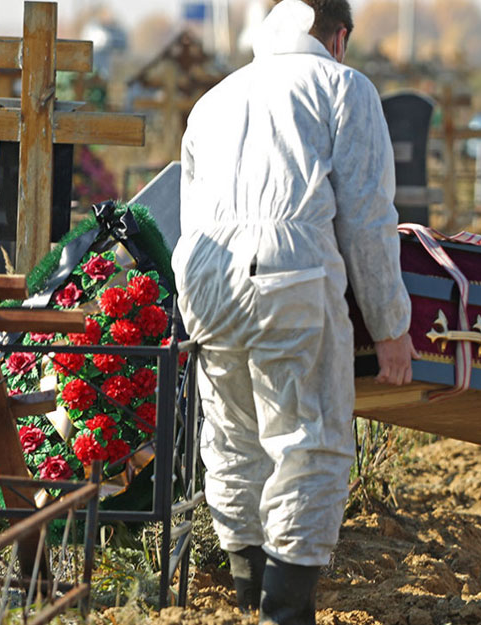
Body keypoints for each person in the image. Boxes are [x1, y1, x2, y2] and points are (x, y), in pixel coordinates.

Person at [173, 1, 417, 623]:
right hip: (288, 272)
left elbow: (190, 207)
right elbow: (367, 217)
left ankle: (249, 594)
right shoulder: (342, 86)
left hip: (203, 278)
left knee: (232, 440)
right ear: (337, 36)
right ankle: (285, 613)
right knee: (310, 441)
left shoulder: (214, 99)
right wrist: (391, 326)